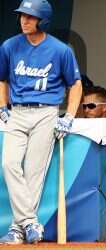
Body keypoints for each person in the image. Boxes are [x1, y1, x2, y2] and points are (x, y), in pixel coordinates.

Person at [0, 0, 82, 244]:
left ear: (42, 19)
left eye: (30, 16)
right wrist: (2, 106)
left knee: (33, 172)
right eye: (22, 16)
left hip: (46, 112)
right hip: (19, 111)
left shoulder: (60, 50)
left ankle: (17, 229)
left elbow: (75, 84)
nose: (24, 20)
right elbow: (2, 79)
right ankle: (30, 223)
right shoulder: (9, 46)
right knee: (9, 164)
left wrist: (69, 115)